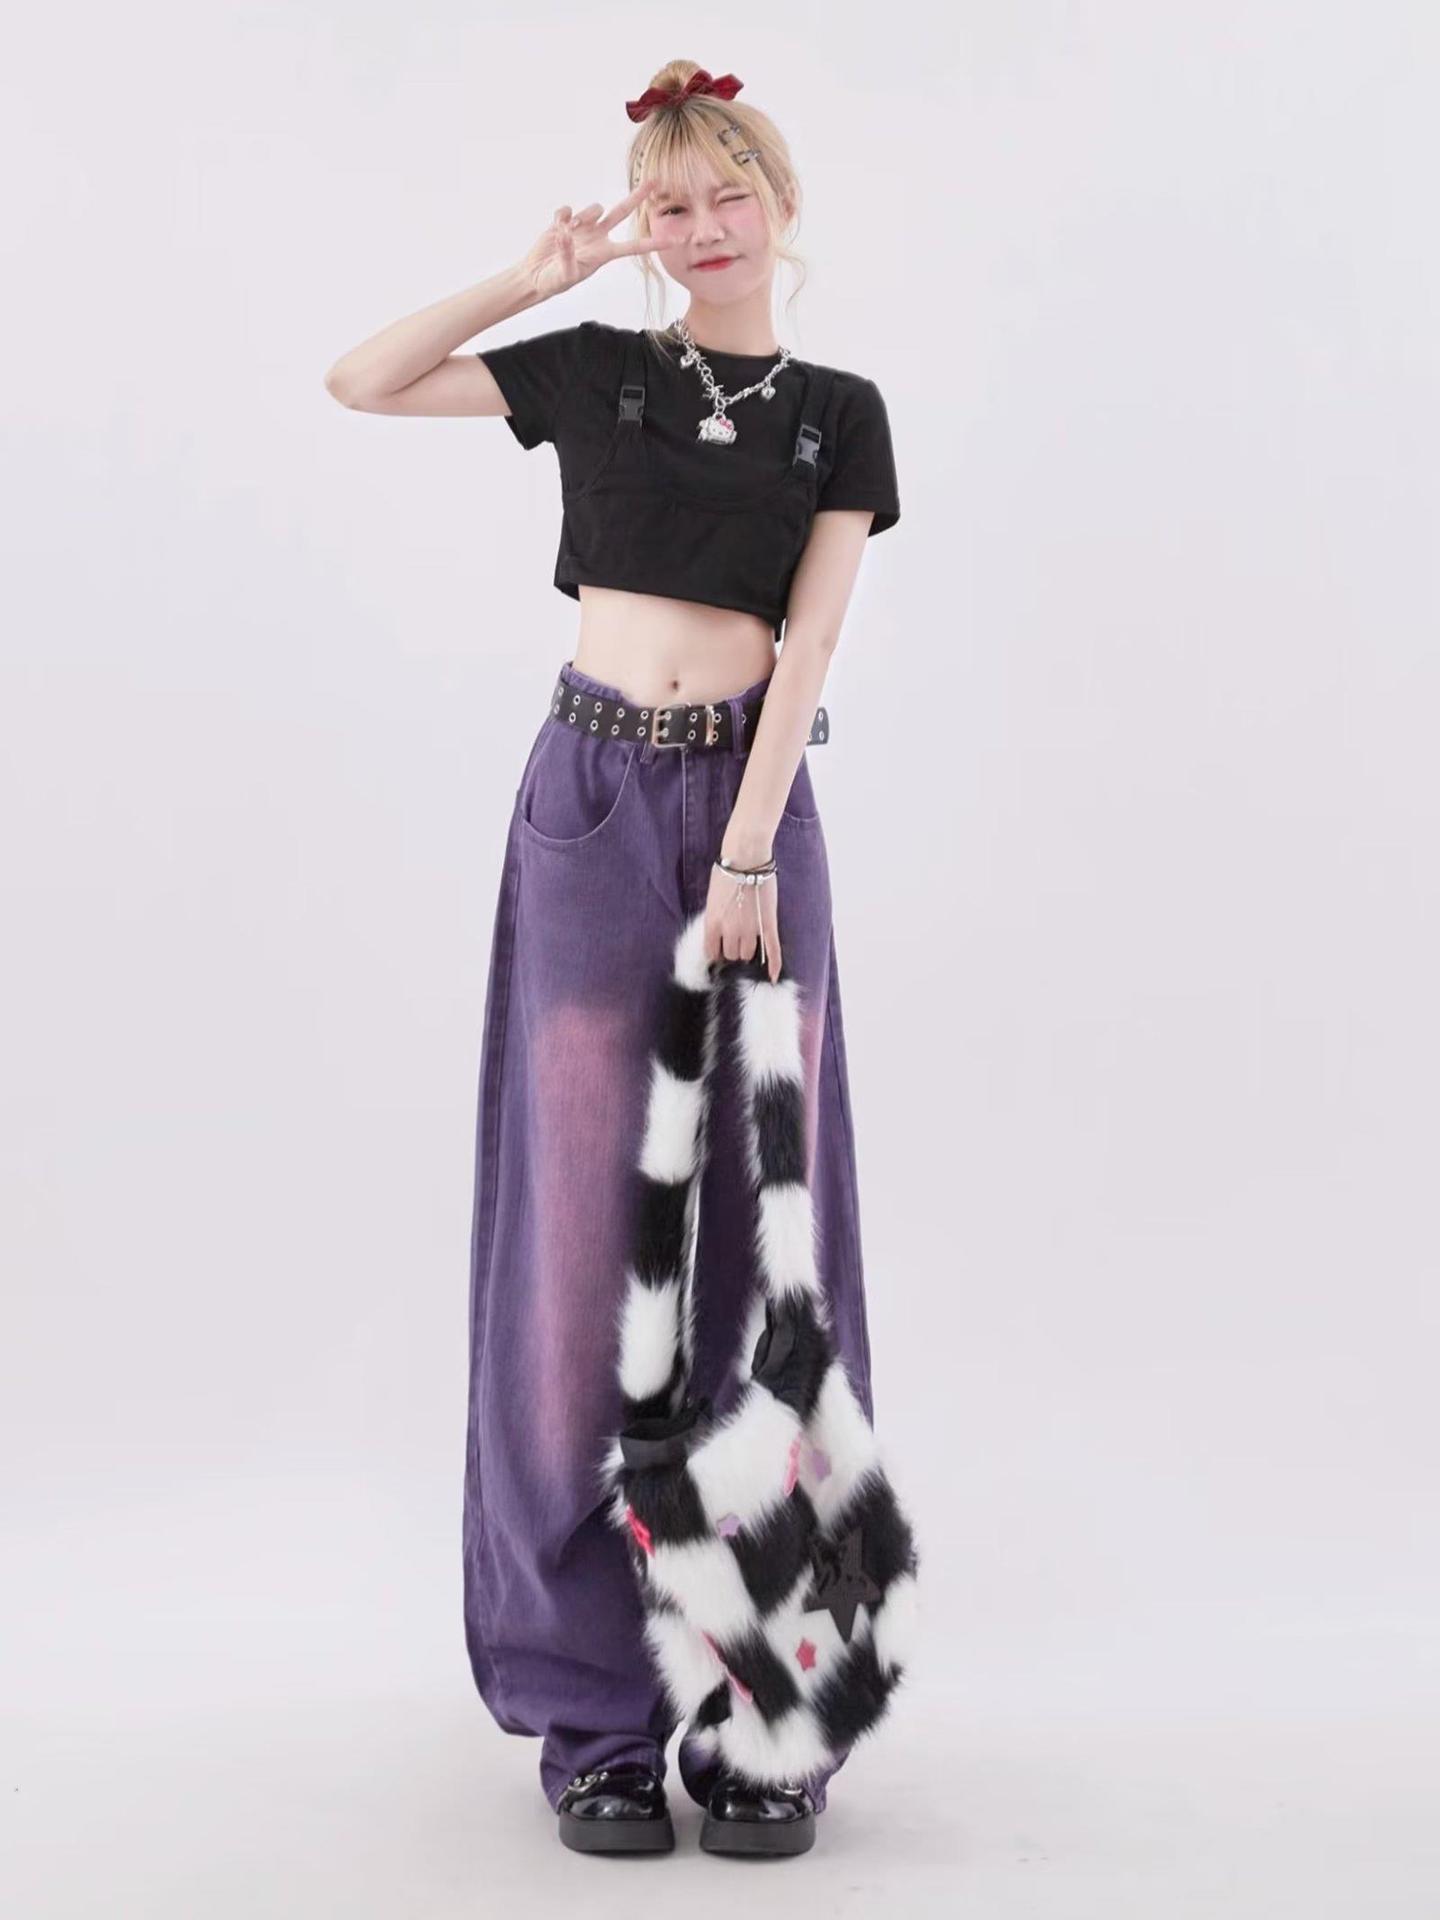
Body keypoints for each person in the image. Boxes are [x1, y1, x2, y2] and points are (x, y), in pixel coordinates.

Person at [323, 59, 901, 1859]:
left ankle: (765, 1702)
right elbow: (364, 381)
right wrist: (531, 277)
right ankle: (591, 1711)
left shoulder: (839, 416)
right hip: (586, 806)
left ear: (780, 205)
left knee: (771, 1245)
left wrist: (747, 851)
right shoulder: (597, 369)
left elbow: (810, 642)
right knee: (576, 1251)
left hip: (750, 813)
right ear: (643, 229)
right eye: (672, 203)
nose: (704, 225)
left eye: (729, 192)